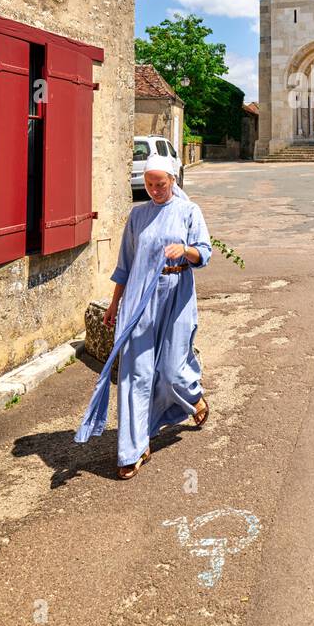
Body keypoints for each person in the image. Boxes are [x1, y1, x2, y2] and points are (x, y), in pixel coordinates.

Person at [75, 153, 212, 479]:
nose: (154, 189)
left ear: (173, 181)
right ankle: (133, 449)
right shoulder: (137, 216)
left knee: (171, 371)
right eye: (149, 184)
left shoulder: (188, 211)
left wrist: (186, 251)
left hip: (175, 298)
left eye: (160, 184)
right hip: (138, 300)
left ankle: (193, 397)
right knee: (134, 375)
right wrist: (114, 305)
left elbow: (204, 252)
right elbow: (125, 266)